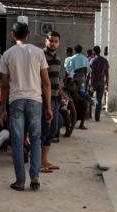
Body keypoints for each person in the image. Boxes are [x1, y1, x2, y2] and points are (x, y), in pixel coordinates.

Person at [0, 22, 52, 191]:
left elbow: (5, 85)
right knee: (36, 139)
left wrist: (2, 110)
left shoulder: (7, 55)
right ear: (28, 34)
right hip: (35, 101)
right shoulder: (38, 52)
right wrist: (49, 106)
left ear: (12, 35)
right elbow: (46, 83)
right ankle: (35, 178)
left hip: (15, 101)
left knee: (17, 142)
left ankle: (20, 181)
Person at [41, 31, 65, 173]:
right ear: (46, 41)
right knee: (44, 130)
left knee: (53, 130)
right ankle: (38, 162)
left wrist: (62, 94)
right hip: (44, 99)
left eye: (56, 41)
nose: (53, 43)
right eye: (51, 40)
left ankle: (45, 161)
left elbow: (57, 80)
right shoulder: (41, 57)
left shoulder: (58, 58)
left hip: (55, 98)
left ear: (59, 43)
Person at [89, 46, 109, 122]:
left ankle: (89, 114)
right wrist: (107, 83)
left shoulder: (92, 60)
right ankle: (97, 118)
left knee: (89, 98)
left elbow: (92, 74)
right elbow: (107, 73)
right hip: (101, 82)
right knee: (99, 100)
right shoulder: (105, 60)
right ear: (100, 51)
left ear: (93, 52)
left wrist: (91, 84)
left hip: (94, 82)